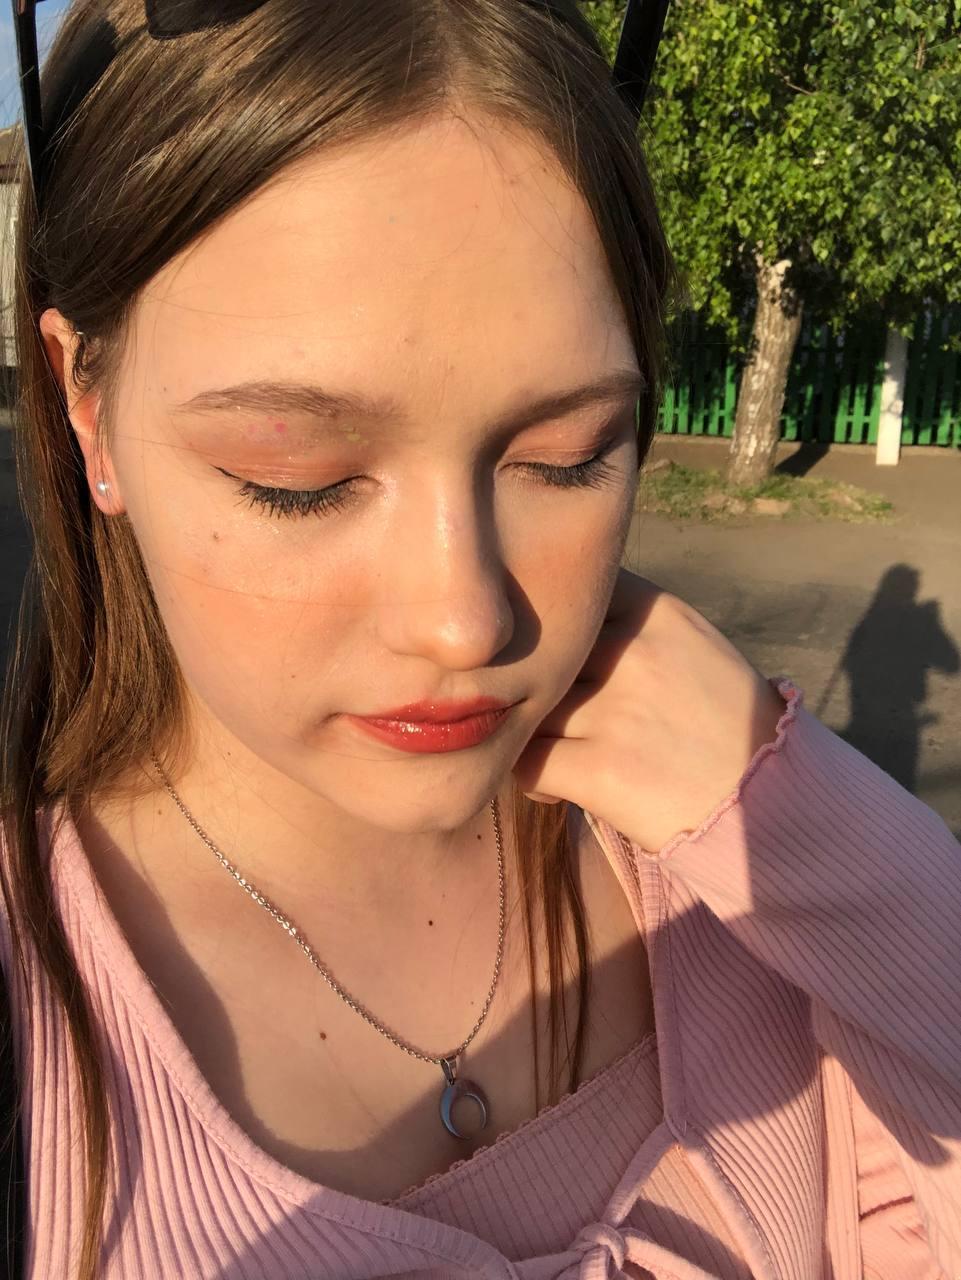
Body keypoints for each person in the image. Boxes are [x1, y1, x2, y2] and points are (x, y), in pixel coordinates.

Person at [1, 1, 958, 1278]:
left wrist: (836, 848)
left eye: (568, 456)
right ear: (85, 407)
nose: (466, 620)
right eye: (298, 479)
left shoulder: (752, 888)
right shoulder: (36, 1045)